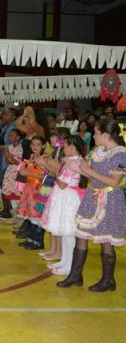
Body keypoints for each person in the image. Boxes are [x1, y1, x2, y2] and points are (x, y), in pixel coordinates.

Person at [58, 119, 125, 291]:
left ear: (106, 135)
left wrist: (88, 171)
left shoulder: (121, 154)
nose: (93, 136)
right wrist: (75, 166)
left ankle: (108, 280)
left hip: (109, 200)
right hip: (91, 196)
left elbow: (114, 181)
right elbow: (86, 170)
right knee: (81, 234)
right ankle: (75, 274)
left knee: (106, 240)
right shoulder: (97, 151)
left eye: (95, 133)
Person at [40, 136, 86, 276]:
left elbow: (62, 183)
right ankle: (65, 261)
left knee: (69, 233)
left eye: (65, 146)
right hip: (64, 196)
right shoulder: (71, 161)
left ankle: (70, 265)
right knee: (65, 233)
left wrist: (55, 170)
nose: (63, 148)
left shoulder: (74, 162)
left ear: (72, 148)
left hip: (68, 198)